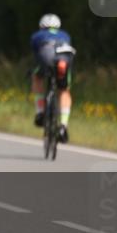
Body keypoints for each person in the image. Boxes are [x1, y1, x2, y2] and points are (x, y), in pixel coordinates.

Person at [30, 13, 76, 143]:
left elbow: (36, 54)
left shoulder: (37, 35)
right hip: (64, 59)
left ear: (41, 26)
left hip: (46, 56)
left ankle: (40, 112)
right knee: (64, 90)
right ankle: (63, 126)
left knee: (37, 77)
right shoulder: (65, 35)